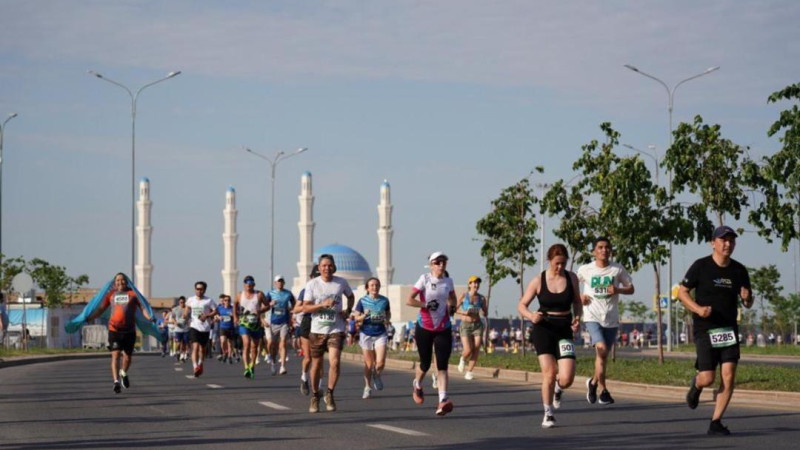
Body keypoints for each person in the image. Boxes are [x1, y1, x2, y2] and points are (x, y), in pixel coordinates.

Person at [680, 225, 753, 436]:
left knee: (728, 377)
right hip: (705, 329)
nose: (728, 244)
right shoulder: (700, 266)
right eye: (723, 240)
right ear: (713, 243)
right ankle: (697, 385)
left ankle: (716, 421)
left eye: (731, 240)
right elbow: (682, 292)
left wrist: (747, 298)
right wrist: (698, 309)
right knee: (708, 378)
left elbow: (748, 302)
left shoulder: (739, 270)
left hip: (728, 330)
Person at [518, 244, 582, 428]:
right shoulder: (538, 280)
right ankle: (548, 413)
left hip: (564, 329)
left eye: (563, 263)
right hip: (544, 328)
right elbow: (521, 305)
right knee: (549, 373)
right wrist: (531, 316)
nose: (560, 267)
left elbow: (577, 302)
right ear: (549, 261)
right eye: (556, 263)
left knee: (567, 378)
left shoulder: (572, 278)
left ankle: (558, 389)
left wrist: (577, 318)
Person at [577, 236, 634, 406]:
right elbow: (571, 283)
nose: (604, 250)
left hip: (611, 318)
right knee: (601, 349)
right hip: (592, 316)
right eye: (600, 247)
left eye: (607, 247)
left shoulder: (617, 269)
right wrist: (579, 296)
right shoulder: (585, 269)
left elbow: (631, 288)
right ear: (594, 251)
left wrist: (617, 290)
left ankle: (594, 383)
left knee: (602, 357)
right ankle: (603, 391)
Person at [302, 254, 355, 413]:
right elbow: (305, 307)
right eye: (324, 265)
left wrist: (348, 310)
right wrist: (322, 305)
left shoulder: (341, 282)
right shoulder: (312, 284)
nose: (327, 268)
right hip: (317, 330)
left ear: (334, 267)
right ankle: (315, 395)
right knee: (316, 365)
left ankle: (330, 393)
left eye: (330, 265)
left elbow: (351, 296)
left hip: (336, 329)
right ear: (319, 268)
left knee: (335, 362)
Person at [86, 273, 155, 394]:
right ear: (114, 283)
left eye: (122, 280)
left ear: (127, 282)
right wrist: (91, 317)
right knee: (116, 354)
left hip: (129, 331)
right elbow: (101, 309)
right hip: (114, 330)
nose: (120, 282)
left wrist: (149, 317)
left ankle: (123, 372)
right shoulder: (111, 294)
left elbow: (143, 308)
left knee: (127, 357)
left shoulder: (133, 294)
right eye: (118, 280)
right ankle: (116, 382)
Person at [407, 252, 457, 416]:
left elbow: (453, 298)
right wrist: (425, 305)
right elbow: (409, 300)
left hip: (443, 327)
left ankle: (443, 400)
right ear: (431, 265)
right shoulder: (424, 279)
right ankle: (417, 384)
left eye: (443, 262)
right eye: (437, 262)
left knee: (442, 365)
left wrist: (452, 307)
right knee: (425, 364)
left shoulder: (448, 281)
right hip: (424, 327)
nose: (441, 265)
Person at [353, 277, 391, 399]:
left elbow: (388, 314)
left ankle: (377, 374)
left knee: (380, 363)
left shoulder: (384, 300)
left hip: (380, 332)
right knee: (369, 364)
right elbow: (356, 318)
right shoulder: (362, 301)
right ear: (367, 288)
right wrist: (364, 315)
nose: (374, 287)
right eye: (372, 285)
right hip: (366, 333)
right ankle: (367, 387)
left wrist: (386, 319)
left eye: (377, 285)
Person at [234, 275, 270, 379]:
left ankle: (252, 365)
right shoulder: (239, 295)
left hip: (255, 324)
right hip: (244, 323)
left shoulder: (259, 294)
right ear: (244, 285)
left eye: (250, 284)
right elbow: (235, 305)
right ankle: (246, 367)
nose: (249, 286)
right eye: (247, 284)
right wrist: (235, 317)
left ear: (254, 284)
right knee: (246, 344)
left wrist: (260, 310)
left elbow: (267, 305)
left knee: (254, 347)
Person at [293, 264, 320, 395]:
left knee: (318, 359)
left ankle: (318, 388)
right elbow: (296, 309)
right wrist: (308, 307)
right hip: (308, 323)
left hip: (321, 325)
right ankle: (304, 378)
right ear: (311, 277)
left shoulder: (328, 290)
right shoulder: (305, 291)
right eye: (316, 277)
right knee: (308, 358)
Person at [455, 275, 488, 380]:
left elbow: (485, 312)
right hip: (465, 325)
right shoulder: (464, 296)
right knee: (468, 349)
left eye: (477, 283)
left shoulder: (482, 298)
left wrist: (484, 311)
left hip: (477, 325)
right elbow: (453, 309)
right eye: (474, 283)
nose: (476, 285)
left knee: (476, 349)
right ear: (469, 284)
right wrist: (464, 312)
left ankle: (469, 372)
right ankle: (463, 358)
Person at [186, 281, 218, 377]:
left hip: (205, 328)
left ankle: (200, 363)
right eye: (197, 289)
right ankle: (195, 367)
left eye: (201, 289)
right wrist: (185, 315)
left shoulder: (209, 300)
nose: (199, 291)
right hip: (194, 326)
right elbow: (187, 309)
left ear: (204, 290)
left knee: (202, 349)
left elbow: (215, 311)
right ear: (195, 289)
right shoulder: (191, 299)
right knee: (195, 347)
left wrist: (207, 315)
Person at [266, 275, 296, 375]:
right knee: (273, 345)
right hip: (274, 322)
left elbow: (295, 304)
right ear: (275, 283)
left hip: (284, 322)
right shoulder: (270, 293)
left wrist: (292, 311)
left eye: (282, 281)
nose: (280, 283)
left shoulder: (288, 293)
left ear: (284, 283)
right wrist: (270, 304)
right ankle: (273, 362)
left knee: (283, 342)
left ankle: (283, 366)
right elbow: (264, 305)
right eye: (278, 281)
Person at [216, 294, 235, 364]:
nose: (227, 302)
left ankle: (229, 356)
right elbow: (216, 314)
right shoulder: (220, 308)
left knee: (230, 343)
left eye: (229, 300)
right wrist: (219, 317)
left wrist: (233, 315)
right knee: (223, 341)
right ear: (223, 301)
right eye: (226, 300)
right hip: (222, 327)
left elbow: (237, 315)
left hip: (231, 327)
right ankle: (225, 353)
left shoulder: (232, 308)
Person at [171, 296, 190, 362]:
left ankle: (183, 355)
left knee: (185, 343)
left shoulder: (187, 309)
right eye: (181, 302)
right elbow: (172, 317)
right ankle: (178, 352)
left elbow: (190, 318)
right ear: (179, 302)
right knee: (178, 343)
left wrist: (189, 322)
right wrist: (175, 322)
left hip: (186, 328)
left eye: (183, 302)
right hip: (178, 329)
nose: (182, 303)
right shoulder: (175, 309)